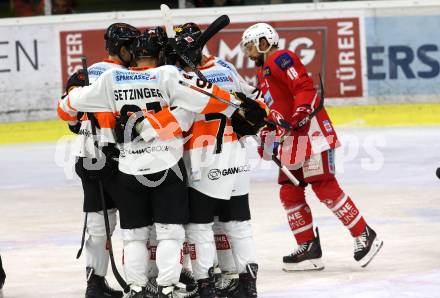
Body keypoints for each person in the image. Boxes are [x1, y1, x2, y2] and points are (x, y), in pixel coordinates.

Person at [58, 28, 266, 298]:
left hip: (128, 168)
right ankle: (168, 286)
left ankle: (136, 288)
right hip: (166, 167)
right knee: (170, 233)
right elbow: (205, 99)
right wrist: (237, 104)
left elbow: (66, 108)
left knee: (133, 234)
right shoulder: (167, 75)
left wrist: (79, 118)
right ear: (159, 54)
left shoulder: (110, 78)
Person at [240, 23, 383, 271]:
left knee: (324, 185)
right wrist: (269, 135)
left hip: (311, 131)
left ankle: (365, 234)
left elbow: (304, 87)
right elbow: (274, 111)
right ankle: (308, 246)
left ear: (263, 42)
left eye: (250, 47)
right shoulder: (263, 74)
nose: (249, 53)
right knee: (289, 191)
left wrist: (302, 111)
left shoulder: (281, 58)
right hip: (292, 139)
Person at [173, 22, 265, 298]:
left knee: (199, 227)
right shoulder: (225, 69)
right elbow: (254, 100)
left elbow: (176, 123)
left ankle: (205, 287)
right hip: (236, 156)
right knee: (239, 224)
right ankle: (248, 287)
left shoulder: (181, 79)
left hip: (205, 160)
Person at [57, 22, 140, 298]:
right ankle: (140, 282)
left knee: (97, 224)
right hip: (116, 158)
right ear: (122, 48)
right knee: (135, 222)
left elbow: (69, 118)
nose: (136, 52)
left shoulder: (85, 73)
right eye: (132, 47)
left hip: (87, 158)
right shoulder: (128, 77)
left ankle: (95, 284)